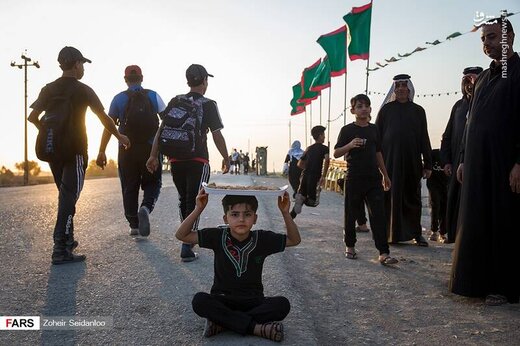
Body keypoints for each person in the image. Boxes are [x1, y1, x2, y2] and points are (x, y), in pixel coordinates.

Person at [28, 46, 130, 265]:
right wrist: (120, 136)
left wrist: (46, 132)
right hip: (75, 151)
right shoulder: (83, 89)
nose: (83, 68)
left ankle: (68, 240)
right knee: (68, 197)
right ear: (75, 64)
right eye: (82, 63)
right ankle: (60, 248)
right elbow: (103, 117)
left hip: (52, 150)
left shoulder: (48, 89)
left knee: (65, 196)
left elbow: (33, 117)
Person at [449, 17, 520, 306]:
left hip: (505, 165)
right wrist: (464, 158)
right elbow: (471, 124)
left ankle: (505, 286)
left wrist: (519, 162)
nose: (487, 44)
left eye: (492, 37)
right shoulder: (484, 79)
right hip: (477, 166)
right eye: (483, 39)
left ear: (510, 37)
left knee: (504, 222)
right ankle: (474, 282)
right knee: (476, 221)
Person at [175, 189, 300, 342]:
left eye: (247, 214)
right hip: (223, 299)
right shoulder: (217, 236)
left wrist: (286, 213)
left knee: (282, 304)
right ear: (225, 218)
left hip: (253, 301)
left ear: (255, 218)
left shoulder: (262, 239)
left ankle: (223, 324)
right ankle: (257, 328)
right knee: (199, 301)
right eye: (234, 214)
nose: (241, 219)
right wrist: (198, 208)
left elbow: (294, 240)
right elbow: (182, 235)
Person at [146, 64, 230, 262]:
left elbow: (161, 130)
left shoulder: (176, 101)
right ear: (204, 81)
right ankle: (186, 244)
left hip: (176, 159)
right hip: (198, 158)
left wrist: (152, 155)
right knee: (194, 200)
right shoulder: (209, 104)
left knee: (184, 198)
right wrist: (226, 158)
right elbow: (217, 135)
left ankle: (186, 239)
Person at [96, 65, 166, 237]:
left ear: (125, 80)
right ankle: (146, 208)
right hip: (151, 149)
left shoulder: (118, 99)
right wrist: (167, 149)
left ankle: (134, 224)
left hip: (127, 148)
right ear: (142, 78)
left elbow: (108, 126)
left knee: (129, 186)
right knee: (153, 182)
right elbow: (167, 123)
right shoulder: (153, 95)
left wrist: (101, 150)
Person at [334, 94, 397, 265]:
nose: (363, 109)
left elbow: (378, 153)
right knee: (350, 214)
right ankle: (350, 246)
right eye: (359, 106)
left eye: (366, 106)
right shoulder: (347, 130)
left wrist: (385, 175)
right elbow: (336, 152)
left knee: (378, 215)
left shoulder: (374, 129)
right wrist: (350, 145)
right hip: (354, 177)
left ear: (370, 109)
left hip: (373, 179)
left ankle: (383, 253)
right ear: (353, 110)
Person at [375, 74, 432, 246]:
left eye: (403, 86)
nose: (400, 89)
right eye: (397, 86)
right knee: (389, 197)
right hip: (389, 162)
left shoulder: (418, 111)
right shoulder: (385, 110)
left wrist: (428, 163)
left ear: (409, 89)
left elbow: (424, 138)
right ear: (394, 89)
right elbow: (376, 137)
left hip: (411, 161)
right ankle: (388, 234)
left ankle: (415, 233)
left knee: (412, 197)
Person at [439, 66, 482, 243]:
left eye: (473, 80)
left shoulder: (485, 102)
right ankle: (454, 234)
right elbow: (447, 135)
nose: (469, 84)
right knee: (455, 199)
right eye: (466, 81)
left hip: (478, 162)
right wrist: (446, 161)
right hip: (457, 162)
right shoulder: (458, 106)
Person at [291, 126, 330, 218]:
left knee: (300, 198)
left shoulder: (309, 148)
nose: (324, 137)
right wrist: (323, 176)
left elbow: (299, 164)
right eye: (323, 135)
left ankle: (291, 216)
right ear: (320, 136)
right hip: (314, 176)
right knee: (313, 202)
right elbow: (327, 161)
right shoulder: (325, 148)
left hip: (305, 175)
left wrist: (308, 167)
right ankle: (302, 199)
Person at [426, 149, 448, 242]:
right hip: (433, 183)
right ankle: (434, 231)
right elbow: (426, 161)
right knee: (435, 205)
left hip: (446, 184)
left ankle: (442, 233)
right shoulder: (434, 153)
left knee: (444, 207)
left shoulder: (449, 154)